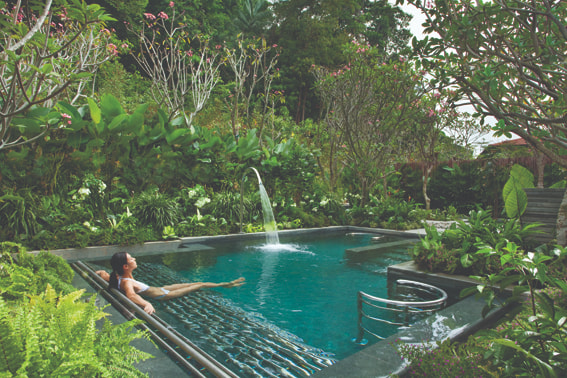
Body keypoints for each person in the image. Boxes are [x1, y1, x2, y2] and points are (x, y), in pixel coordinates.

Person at [96, 252, 245, 315]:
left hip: (161, 289)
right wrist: (146, 304)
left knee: (197, 282)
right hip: (164, 295)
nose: (134, 258)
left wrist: (100, 273)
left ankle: (226, 284)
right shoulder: (126, 282)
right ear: (125, 266)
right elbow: (131, 295)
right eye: (131, 259)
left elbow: (107, 276)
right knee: (199, 286)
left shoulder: (118, 276)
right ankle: (226, 284)